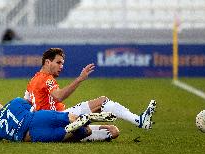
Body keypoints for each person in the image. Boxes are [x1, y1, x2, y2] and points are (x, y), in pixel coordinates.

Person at [24, 48, 157, 142]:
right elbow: (59, 96)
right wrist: (79, 79)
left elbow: (26, 104)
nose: (61, 66)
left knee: (113, 131)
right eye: (58, 62)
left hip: (49, 126)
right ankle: (139, 121)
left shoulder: (32, 81)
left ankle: (72, 133)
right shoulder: (47, 79)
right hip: (59, 118)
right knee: (102, 101)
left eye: (62, 63)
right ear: (47, 62)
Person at [0, 92, 119, 142]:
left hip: (33, 135)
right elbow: (32, 106)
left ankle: (79, 127)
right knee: (70, 117)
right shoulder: (15, 102)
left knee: (83, 132)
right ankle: (87, 117)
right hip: (38, 117)